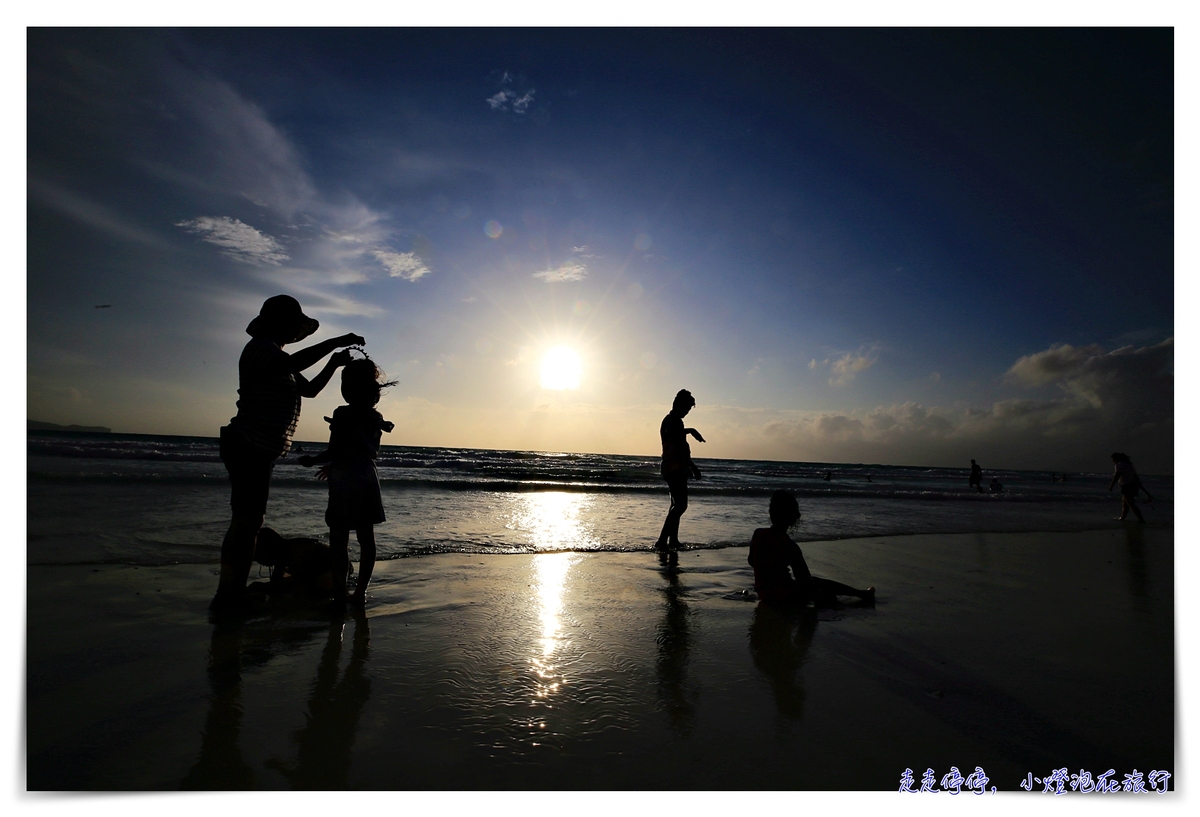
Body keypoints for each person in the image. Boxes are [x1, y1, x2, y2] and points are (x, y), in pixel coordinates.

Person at [211, 294, 364, 614]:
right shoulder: (262, 350)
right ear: (280, 325)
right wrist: (336, 341)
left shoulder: (278, 355)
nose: (294, 334)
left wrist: (334, 364)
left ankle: (231, 592)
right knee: (246, 522)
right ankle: (229, 594)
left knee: (249, 520)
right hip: (247, 444)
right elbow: (294, 363)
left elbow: (309, 390)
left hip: (257, 449)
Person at [300, 356, 396, 607]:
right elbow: (362, 450)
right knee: (366, 537)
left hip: (345, 479)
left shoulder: (343, 414)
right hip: (366, 476)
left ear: (348, 388)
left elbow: (336, 450)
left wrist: (313, 459)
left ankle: (341, 593)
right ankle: (360, 592)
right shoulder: (376, 417)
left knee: (339, 538)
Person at [748, 490, 874, 607]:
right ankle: (861, 594)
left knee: (814, 584)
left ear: (771, 514)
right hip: (786, 598)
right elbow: (804, 581)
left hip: (764, 595)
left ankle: (858, 594)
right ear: (794, 517)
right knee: (818, 585)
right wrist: (820, 598)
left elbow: (752, 561)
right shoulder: (791, 547)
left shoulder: (758, 535)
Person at [655, 389, 705, 549]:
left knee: (675, 504)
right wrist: (691, 430)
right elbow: (676, 440)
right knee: (681, 505)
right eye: (686, 409)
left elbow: (682, 447)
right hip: (673, 467)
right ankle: (662, 540)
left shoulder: (675, 421)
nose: (687, 412)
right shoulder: (671, 420)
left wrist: (692, 466)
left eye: (689, 410)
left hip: (675, 466)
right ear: (678, 405)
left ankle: (673, 540)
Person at [253, 527, 337, 599]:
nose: (259, 562)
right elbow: (276, 582)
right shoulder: (283, 554)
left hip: (331, 570)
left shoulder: (295, 551)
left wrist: (263, 587)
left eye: (259, 556)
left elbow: (297, 580)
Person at [1109, 452, 1152, 522]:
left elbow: (1117, 475)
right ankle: (1122, 518)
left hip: (1127, 486)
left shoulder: (1119, 465)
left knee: (1131, 504)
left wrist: (1111, 486)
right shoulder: (1129, 465)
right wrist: (1146, 492)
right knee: (1125, 503)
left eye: (1113, 459)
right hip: (1132, 486)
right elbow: (1136, 478)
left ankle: (1141, 520)